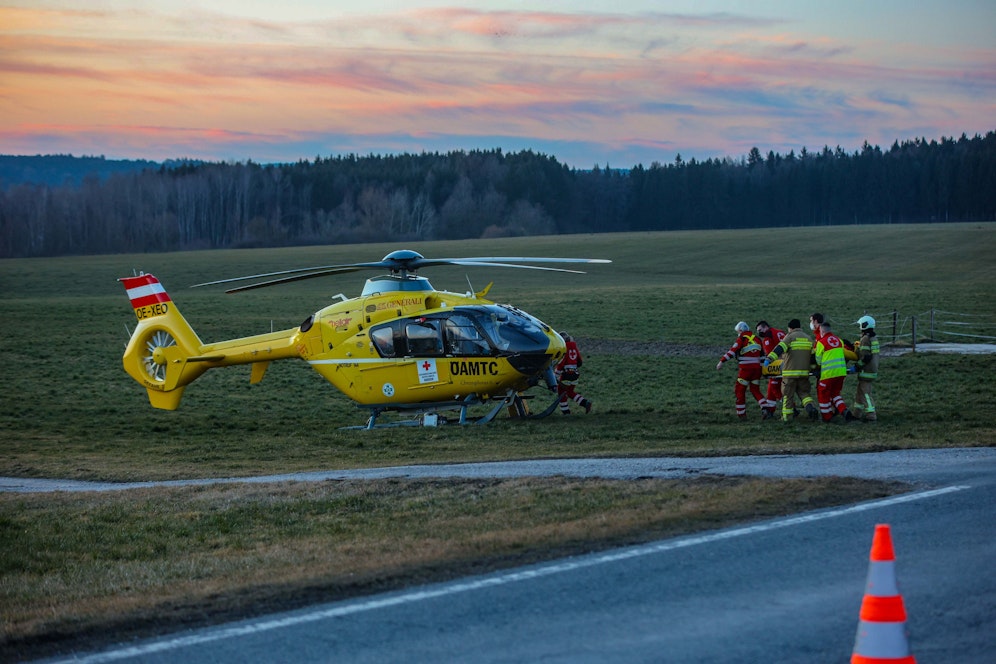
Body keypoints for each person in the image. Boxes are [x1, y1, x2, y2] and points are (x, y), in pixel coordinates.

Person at [764, 319, 818, 422]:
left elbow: (779, 348)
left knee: (787, 396)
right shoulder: (808, 338)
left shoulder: (790, 337)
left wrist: (769, 359)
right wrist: (813, 368)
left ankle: (786, 418)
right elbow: (813, 357)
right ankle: (811, 408)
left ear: (790, 328)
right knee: (805, 394)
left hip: (790, 374)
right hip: (804, 373)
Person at [716, 321, 766, 419]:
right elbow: (762, 356)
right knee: (755, 389)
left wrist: (721, 362)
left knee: (740, 390)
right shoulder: (757, 339)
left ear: (740, 330)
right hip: (757, 370)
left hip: (745, 370)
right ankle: (765, 408)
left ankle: (741, 414)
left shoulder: (741, 339)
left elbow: (732, 352)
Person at [814, 321, 857, 423]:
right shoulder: (839, 340)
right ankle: (844, 410)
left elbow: (818, 360)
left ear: (822, 330)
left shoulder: (821, 342)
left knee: (823, 393)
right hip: (841, 372)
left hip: (828, 373)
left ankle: (827, 416)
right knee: (835, 393)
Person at [851, 315, 880, 421]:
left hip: (866, 371)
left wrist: (856, 366)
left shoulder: (865, 339)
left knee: (866, 394)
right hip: (872, 369)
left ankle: (871, 415)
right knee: (860, 392)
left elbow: (865, 357)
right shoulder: (873, 338)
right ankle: (856, 414)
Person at [555, 332, 592, 415]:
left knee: (561, 393)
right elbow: (580, 362)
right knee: (570, 392)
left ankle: (566, 412)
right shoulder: (574, 348)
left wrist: (556, 374)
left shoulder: (564, 349)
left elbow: (561, 363)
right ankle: (585, 403)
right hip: (575, 374)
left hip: (566, 375)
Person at [755, 320, 785, 417]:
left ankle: (790, 405)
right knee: (770, 389)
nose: (759, 332)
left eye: (760, 330)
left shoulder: (768, 337)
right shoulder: (779, 332)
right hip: (788, 362)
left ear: (765, 327)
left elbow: (769, 354)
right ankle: (770, 410)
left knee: (773, 386)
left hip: (778, 365)